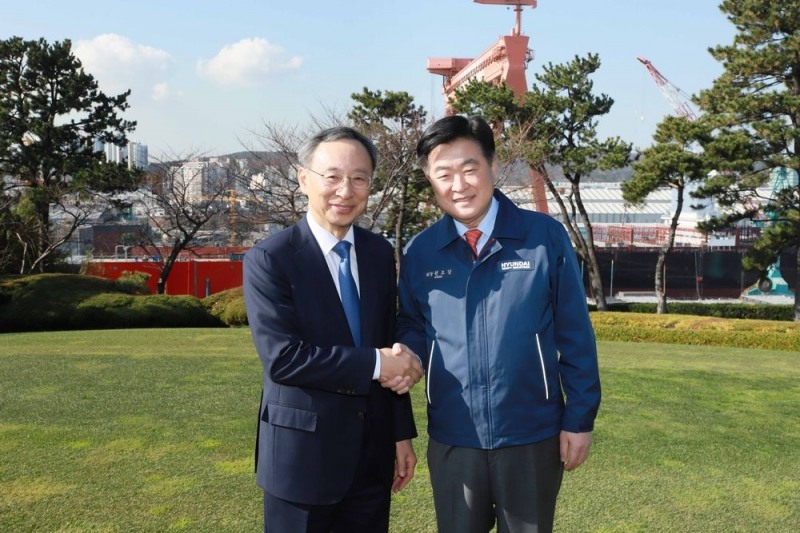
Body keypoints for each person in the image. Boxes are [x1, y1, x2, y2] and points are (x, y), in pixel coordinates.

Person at [396, 115, 601, 533]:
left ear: (492, 165)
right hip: (454, 435)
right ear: (430, 180)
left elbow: (576, 334)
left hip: (531, 434)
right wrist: (408, 355)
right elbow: (411, 324)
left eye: (469, 169)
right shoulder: (421, 251)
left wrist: (579, 419)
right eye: (444, 174)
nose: (459, 185)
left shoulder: (543, 237)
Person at [244, 126, 423, 533]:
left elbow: (388, 339)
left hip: (372, 457)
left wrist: (400, 434)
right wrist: (376, 364)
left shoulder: (379, 254)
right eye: (333, 177)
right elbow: (283, 359)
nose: (346, 190)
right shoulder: (270, 258)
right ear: (303, 179)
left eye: (359, 178)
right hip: (301, 460)